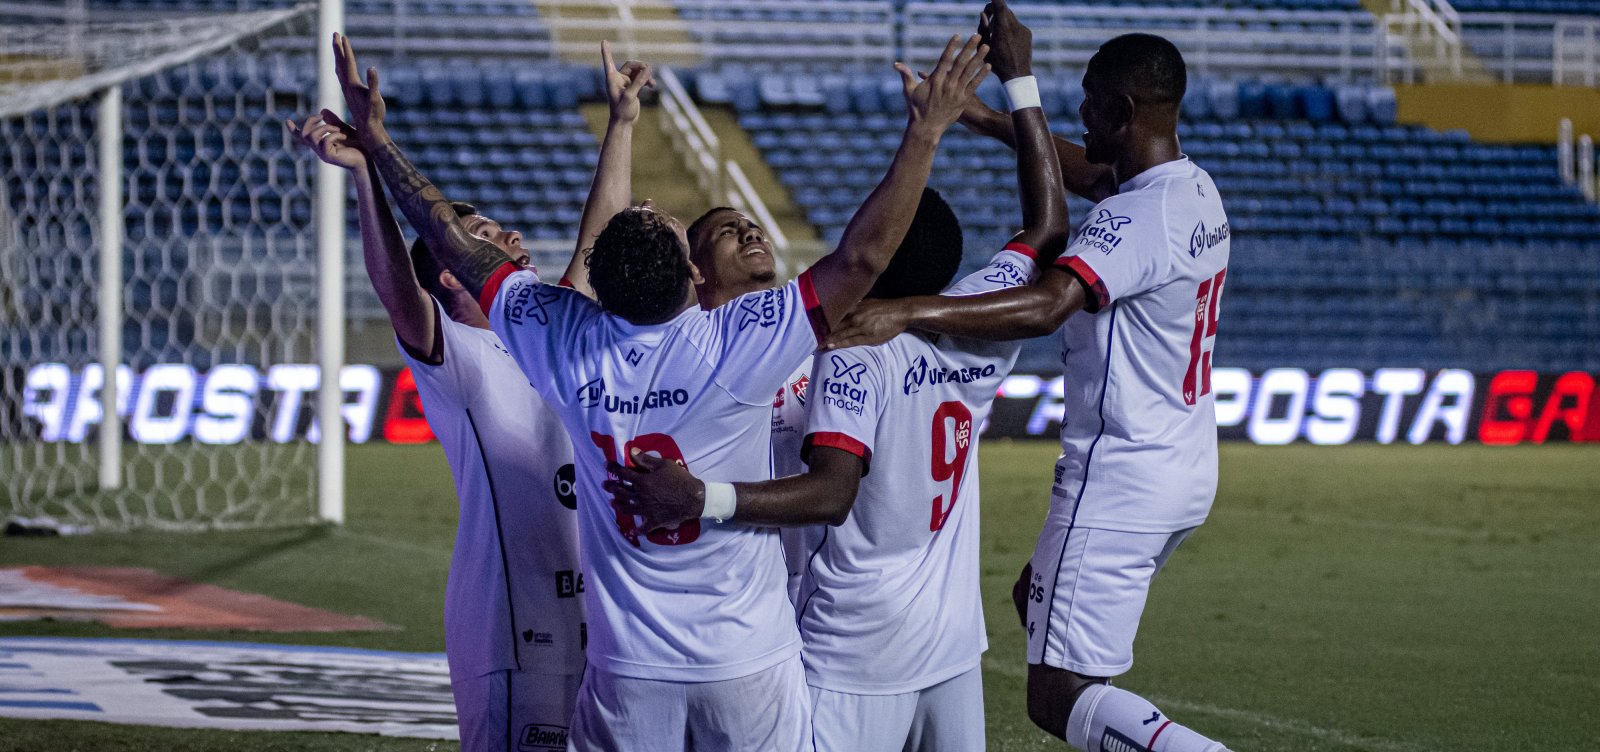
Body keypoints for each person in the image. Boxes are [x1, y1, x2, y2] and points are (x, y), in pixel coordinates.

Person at [333, 30, 990, 750]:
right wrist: (927, 129)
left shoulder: (559, 339)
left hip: (628, 671)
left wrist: (378, 147)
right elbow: (863, 255)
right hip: (747, 662)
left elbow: (450, 237)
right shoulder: (740, 336)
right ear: (692, 278)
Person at [604, 9, 1067, 750]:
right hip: (906, 637)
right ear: (692, 275)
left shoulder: (840, 342)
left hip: (842, 644)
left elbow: (832, 487)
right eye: (727, 229)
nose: (752, 230)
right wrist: (1018, 86)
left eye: (748, 223)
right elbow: (1045, 231)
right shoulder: (966, 325)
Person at [826, 24, 1235, 752]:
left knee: (1056, 697)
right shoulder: (1189, 190)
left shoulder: (1135, 218)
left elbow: (1047, 305)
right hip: (1185, 467)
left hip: (1119, 476)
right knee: (1032, 598)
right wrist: (981, 113)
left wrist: (904, 310)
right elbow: (1078, 178)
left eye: (1089, 106)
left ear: (1123, 111)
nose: (1079, 118)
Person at [284, 107, 587, 748]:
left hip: (594, 624)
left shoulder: (549, 342)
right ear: (452, 273)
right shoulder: (455, 356)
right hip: (510, 630)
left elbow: (588, 251)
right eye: (486, 235)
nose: (512, 237)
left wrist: (621, 125)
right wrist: (366, 175)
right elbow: (398, 291)